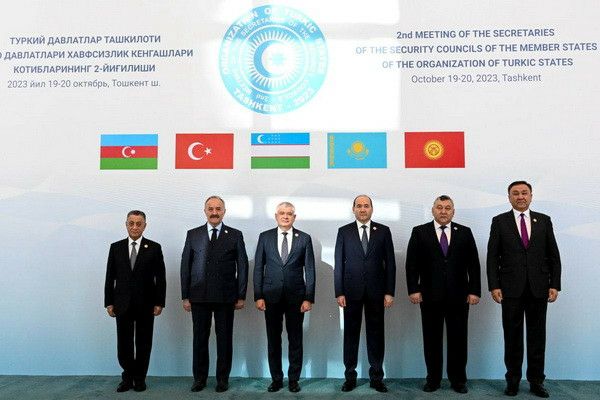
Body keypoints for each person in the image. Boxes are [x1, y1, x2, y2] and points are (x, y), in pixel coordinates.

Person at [487, 181, 561, 398]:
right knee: (512, 337)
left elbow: (553, 255)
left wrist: (554, 284)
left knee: (537, 337)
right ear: (509, 197)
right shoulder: (499, 221)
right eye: (515, 193)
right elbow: (492, 257)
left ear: (531, 196)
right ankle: (512, 381)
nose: (520, 197)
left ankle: (536, 382)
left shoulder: (544, 220)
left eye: (524, 193)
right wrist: (494, 285)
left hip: (539, 288)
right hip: (510, 289)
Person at [405, 195, 481, 394]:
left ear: (453, 212)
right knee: (432, 340)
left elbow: (473, 264)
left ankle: (458, 380)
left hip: (459, 296)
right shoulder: (420, 232)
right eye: (439, 207)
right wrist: (413, 289)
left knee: (458, 340)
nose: (443, 211)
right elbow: (412, 263)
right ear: (433, 210)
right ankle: (433, 379)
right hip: (429, 295)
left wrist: (474, 290)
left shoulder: (464, 232)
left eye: (447, 208)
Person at [180, 196, 249, 393]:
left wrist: (241, 295)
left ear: (224, 211)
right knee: (199, 339)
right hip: (198, 296)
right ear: (205, 211)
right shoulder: (193, 234)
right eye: (210, 209)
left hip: (226, 296)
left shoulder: (235, 235)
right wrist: (185, 296)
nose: (214, 212)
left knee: (224, 340)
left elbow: (242, 266)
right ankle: (199, 379)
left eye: (218, 208)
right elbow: (185, 266)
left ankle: (222, 379)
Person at [334, 195, 396, 393]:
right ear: (353, 209)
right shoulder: (344, 231)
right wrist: (339, 292)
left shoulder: (383, 231)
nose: (362, 209)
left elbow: (390, 263)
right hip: (350, 292)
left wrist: (389, 292)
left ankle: (376, 378)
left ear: (372, 209)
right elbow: (338, 264)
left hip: (377, 292)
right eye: (359, 206)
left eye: (366, 206)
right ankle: (349, 377)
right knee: (350, 336)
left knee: (376, 336)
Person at [254, 202, 316, 393]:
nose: (286, 216)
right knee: (273, 340)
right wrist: (258, 295)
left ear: (294, 217)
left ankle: (294, 380)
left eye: (289, 213)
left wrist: (308, 297)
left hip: (296, 298)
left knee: (295, 340)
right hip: (270, 296)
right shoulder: (265, 237)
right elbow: (258, 268)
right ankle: (276, 379)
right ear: (276, 216)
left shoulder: (304, 238)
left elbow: (310, 270)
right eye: (282, 213)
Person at [104, 210, 166, 392]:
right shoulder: (116, 247)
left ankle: (140, 378)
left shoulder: (154, 247)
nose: (135, 227)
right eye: (131, 223)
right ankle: (127, 378)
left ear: (145, 226)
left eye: (139, 223)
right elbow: (110, 277)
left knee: (144, 342)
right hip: (122, 304)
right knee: (124, 343)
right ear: (126, 224)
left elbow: (160, 278)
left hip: (146, 304)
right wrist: (109, 302)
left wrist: (159, 302)